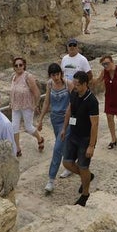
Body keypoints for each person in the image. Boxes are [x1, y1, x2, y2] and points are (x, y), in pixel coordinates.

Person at [60, 71, 99, 206]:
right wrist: (64, 128)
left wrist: (92, 145)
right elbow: (69, 110)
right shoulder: (74, 94)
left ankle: (85, 194)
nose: (74, 86)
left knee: (83, 166)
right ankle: (87, 176)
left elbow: (95, 124)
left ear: (85, 84)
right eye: (74, 83)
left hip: (85, 138)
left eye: (77, 84)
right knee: (67, 163)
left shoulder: (92, 101)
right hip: (73, 134)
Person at [37, 62, 73, 193]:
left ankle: (51, 180)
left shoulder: (68, 84)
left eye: (57, 74)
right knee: (63, 146)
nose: (56, 77)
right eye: (53, 75)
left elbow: (73, 102)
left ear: (61, 73)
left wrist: (66, 124)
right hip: (54, 119)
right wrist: (40, 120)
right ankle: (70, 166)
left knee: (57, 148)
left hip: (66, 119)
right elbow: (47, 102)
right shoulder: (50, 84)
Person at [9, 57, 44, 156]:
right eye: (16, 65)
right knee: (14, 127)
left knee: (28, 127)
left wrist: (36, 105)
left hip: (27, 106)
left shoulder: (28, 77)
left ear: (24, 65)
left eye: (21, 65)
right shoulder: (13, 77)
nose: (18, 67)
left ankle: (40, 139)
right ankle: (18, 149)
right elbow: (13, 91)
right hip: (15, 106)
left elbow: (37, 93)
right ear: (14, 67)